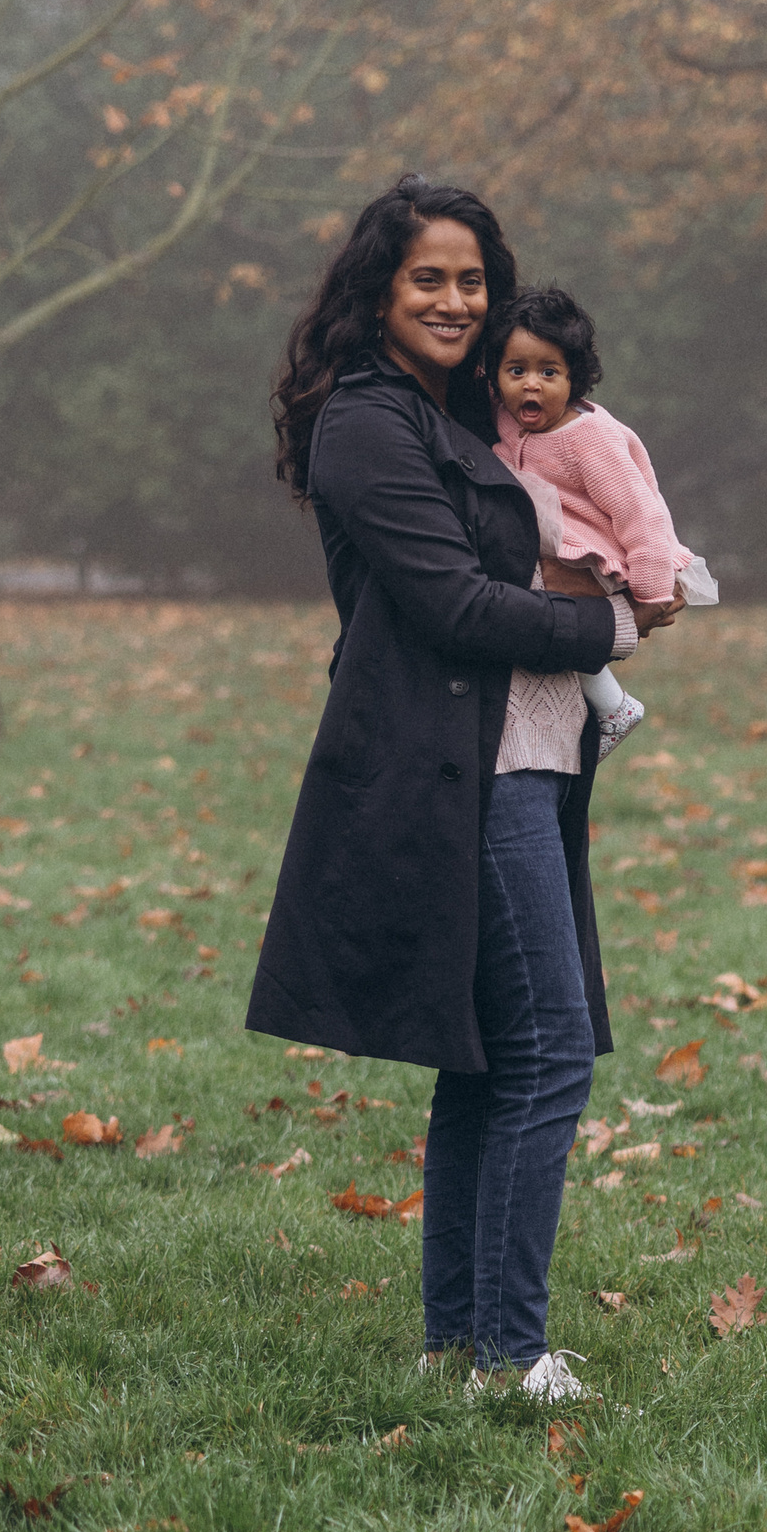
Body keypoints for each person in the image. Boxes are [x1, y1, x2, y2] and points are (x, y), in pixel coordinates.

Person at [248, 177, 678, 1402]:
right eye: (428, 276)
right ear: (378, 288)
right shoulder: (369, 422)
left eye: (471, 278)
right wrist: (604, 624)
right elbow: (450, 604)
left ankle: (459, 1341)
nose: (454, 298)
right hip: (465, 769)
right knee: (545, 1052)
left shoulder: (463, 415)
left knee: (490, 1057)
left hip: (521, 755)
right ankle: (510, 1350)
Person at [486, 282, 719, 756]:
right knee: (538, 608)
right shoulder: (508, 417)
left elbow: (641, 516)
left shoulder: (588, 438)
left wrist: (651, 593)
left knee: (545, 612)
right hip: (560, 545)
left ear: (575, 378)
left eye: (548, 372)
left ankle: (613, 706)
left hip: (605, 558)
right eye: (517, 370)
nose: (531, 383)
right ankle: (609, 704)